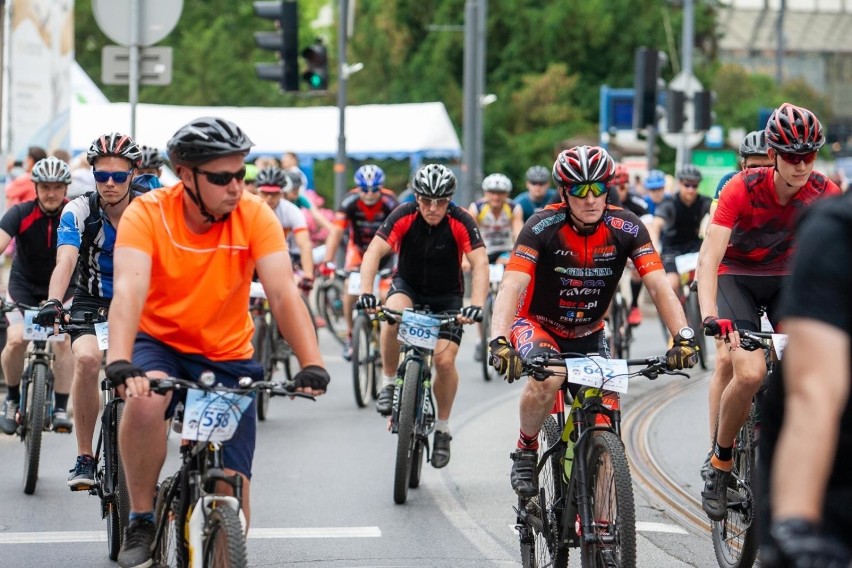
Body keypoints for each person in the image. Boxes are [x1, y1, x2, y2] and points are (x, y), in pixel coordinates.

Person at [103, 117, 330, 568]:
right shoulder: (147, 213)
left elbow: (284, 293)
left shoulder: (254, 214)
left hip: (228, 353)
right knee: (146, 403)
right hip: (160, 341)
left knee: (230, 487)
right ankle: (142, 517)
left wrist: (312, 363)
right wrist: (120, 360)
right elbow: (128, 290)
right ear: (185, 176)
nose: (235, 187)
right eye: (221, 177)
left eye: (240, 175)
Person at [488, 145, 698, 498]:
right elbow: (513, 284)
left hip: (589, 330)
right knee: (549, 377)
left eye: (598, 188)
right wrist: (498, 340)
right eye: (579, 191)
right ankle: (525, 450)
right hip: (537, 324)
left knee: (604, 417)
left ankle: (600, 524)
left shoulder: (627, 226)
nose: (590, 199)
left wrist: (683, 336)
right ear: (563, 193)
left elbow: (659, 283)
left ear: (607, 189)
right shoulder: (542, 225)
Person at [696, 102, 842, 522]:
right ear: (774, 155)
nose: (801, 166)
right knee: (750, 372)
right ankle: (720, 464)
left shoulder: (824, 192)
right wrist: (709, 315)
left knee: (813, 373)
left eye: (810, 156)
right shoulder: (741, 188)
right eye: (793, 157)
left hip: (787, 280)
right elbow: (709, 258)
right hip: (736, 276)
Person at [358, 164, 488, 468]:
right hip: (409, 287)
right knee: (392, 315)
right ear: (416, 197)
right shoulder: (403, 214)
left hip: (447, 297)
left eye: (440, 201)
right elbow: (373, 253)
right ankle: (389, 381)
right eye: (426, 200)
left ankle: (442, 429)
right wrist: (366, 290)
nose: (432, 208)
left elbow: (480, 263)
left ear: (450, 200)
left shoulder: (461, 220)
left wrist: (477, 304)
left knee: (444, 361)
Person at [34, 132, 144, 490]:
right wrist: (53, 300)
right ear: (92, 174)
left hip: (141, 300)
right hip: (91, 301)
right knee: (85, 360)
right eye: (101, 176)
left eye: (118, 176)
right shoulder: (78, 209)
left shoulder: (151, 209)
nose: (109, 184)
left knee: (152, 372)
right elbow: (65, 259)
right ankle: (85, 456)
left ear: (133, 174)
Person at [758, 190, 852, 567]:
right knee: (745, 370)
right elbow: (815, 394)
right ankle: (721, 459)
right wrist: (798, 525)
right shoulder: (836, 234)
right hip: (832, 472)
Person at [699, 129, 774, 481]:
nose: (758, 173)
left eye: (766, 165)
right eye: (752, 166)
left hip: (773, 278)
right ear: (742, 165)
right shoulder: (730, 186)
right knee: (728, 360)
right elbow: (711, 242)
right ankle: (716, 441)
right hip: (733, 271)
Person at [0, 157, 74, 435]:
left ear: (66, 188)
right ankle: (12, 399)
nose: (51, 193)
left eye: (57, 187)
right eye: (45, 187)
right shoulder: (20, 212)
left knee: (63, 342)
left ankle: (59, 407)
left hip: (64, 290)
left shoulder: (75, 213)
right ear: (36, 188)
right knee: (17, 340)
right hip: (23, 287)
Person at [321, 164, 398, 361]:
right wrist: (327, 261)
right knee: (350, 289)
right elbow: (336, 232)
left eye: (374, 190)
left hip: (386, 253)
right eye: (364, 190)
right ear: (357, 188)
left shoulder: (391, 202)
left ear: (381, 188)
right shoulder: (349, 201)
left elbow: (401, 233)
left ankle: (384, 334)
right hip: (359, 252)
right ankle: (349, 334)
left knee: (383, 294)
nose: (370, 195)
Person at [466, 172, 522, 361]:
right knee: (482, 297)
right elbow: (469, 238)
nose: (496, 197)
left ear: (506, 194)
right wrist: (467, 260)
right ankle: (481, 339)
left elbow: (519, 235)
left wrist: (514, 256)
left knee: (510, 291)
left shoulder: (514, 209)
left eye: (500, 193)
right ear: (485, 193)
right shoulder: (477, 208)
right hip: (484, 250)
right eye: (492, 192)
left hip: (505, 252)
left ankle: (507, 334)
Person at [651, 164, 711, 302]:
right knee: (672, 284)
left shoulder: (704, 202)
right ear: (680, 183)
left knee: (708, 279)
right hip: (672, 249)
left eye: (694, 186)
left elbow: (719, 214)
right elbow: (657, 224)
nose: (690, 189)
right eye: (687, 185)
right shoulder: (669, 203)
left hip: (694, 247)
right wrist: (654, 246)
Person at [255, 166, 315, 286]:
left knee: (295, 287)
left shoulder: (292, 211)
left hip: (287, 257)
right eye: (265, 193)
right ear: (258, 191)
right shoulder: (249, 209)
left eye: (274, 193)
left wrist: (308, 275)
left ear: (281, 193)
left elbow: (305, 245)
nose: (269, 198)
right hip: (256, 257)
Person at [607, 164, 651, 326]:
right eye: (615, 187)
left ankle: (633, 306)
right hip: (609, 247)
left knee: (636, 272)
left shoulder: (637, 203)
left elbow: (649, 227)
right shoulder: (603, 202)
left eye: (623, 187)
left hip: (630, 247)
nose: (620, 191)